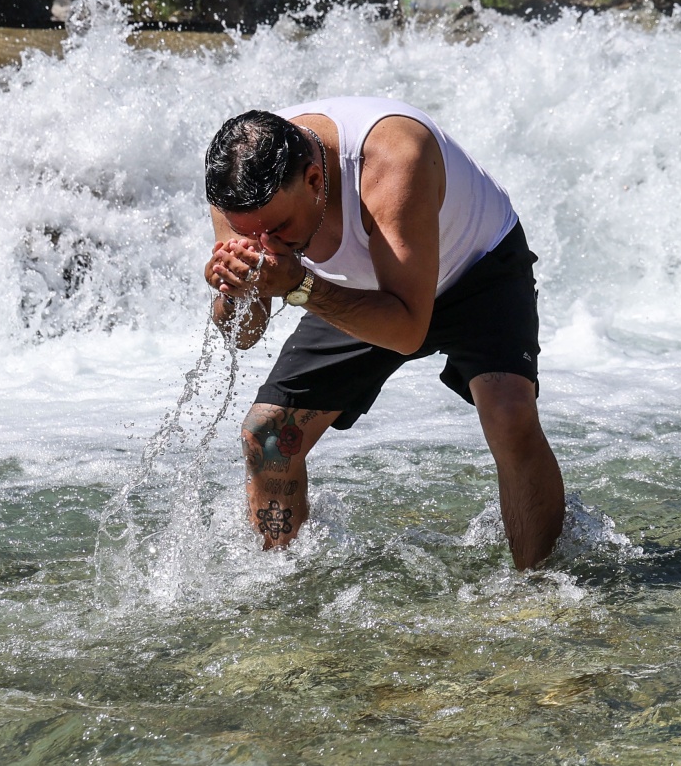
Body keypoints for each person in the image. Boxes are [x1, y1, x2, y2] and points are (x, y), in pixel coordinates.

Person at [202, 99, 566, 569]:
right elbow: (244, 334)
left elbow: (407, 329)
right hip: (361, 286)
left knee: (510, 416)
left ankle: (540, 588)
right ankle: (282, 588)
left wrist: (297, 284)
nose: (265, 245)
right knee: (268, 436)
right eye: (250, 235)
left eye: (278, 230)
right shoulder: (237, 189)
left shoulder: (393, 158)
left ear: (315, 180)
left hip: (476, 269)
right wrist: (231, 292)